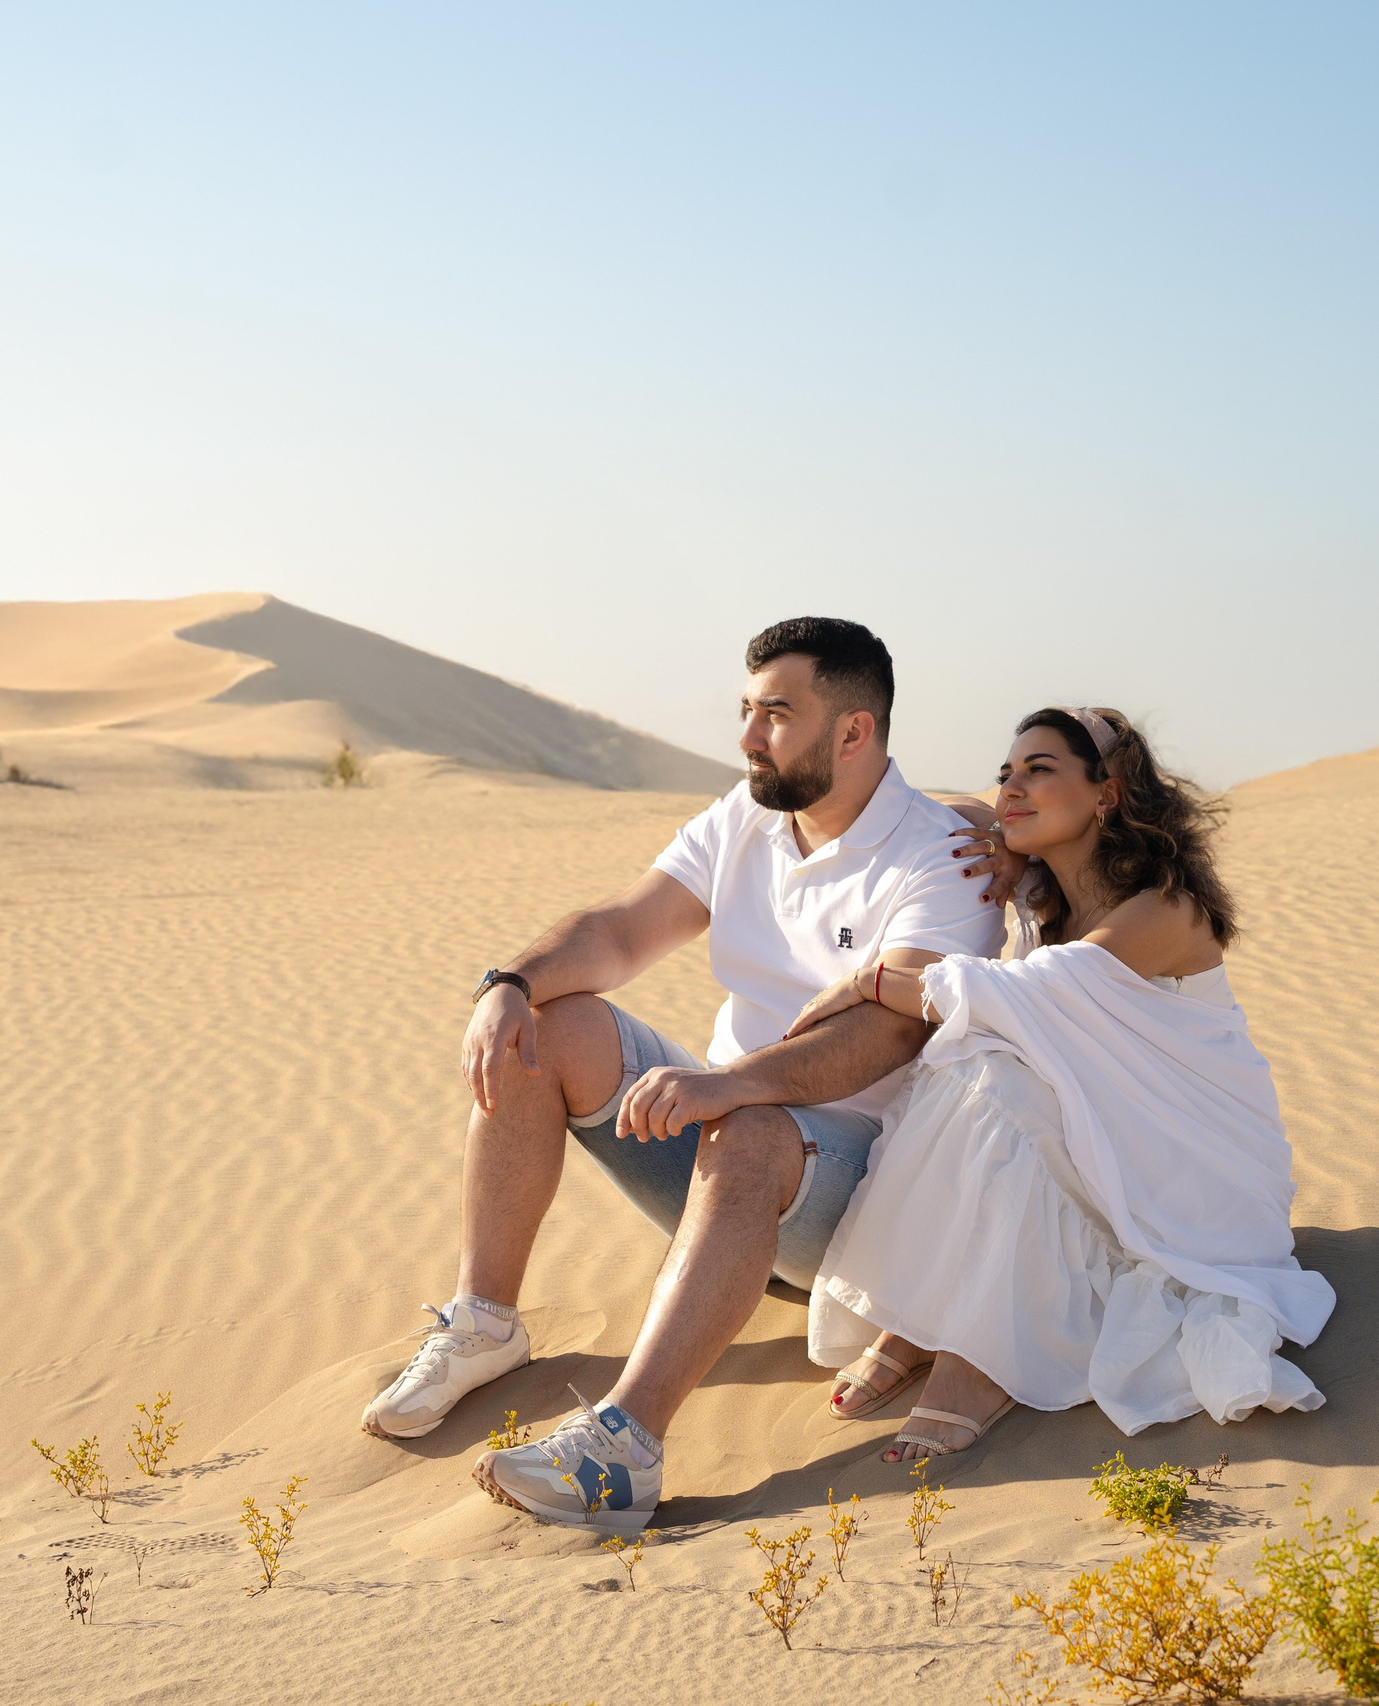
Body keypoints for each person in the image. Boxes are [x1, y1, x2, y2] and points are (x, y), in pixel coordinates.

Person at [359, 617, 1004, 1532]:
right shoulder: (746, 818)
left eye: (776, 715)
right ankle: (486, 1322)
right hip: (730, 1169)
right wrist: (510, 983)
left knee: (748, 1123)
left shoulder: (942, 860)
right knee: (552, 1026)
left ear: (855, 731)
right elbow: (622, 929)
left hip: (863, 1202)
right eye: (745, 710)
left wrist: (734, 1085)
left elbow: (888, 1037)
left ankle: (625, 1449)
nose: (746, 738)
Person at [792, 705, 1336, 1462]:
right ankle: (923, 1321)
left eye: (1039, 772)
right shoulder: (1045, 908)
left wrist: (867, 977)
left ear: (1107, 795)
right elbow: (935, 809)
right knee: (972, 1067)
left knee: (993, 1067)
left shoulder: (1165, 909)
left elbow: (1019, 998)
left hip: (1201, 1180)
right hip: (1110, 1146)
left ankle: (980, 1361)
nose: (1011, 788)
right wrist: (1002, 837)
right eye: (1006, 774)